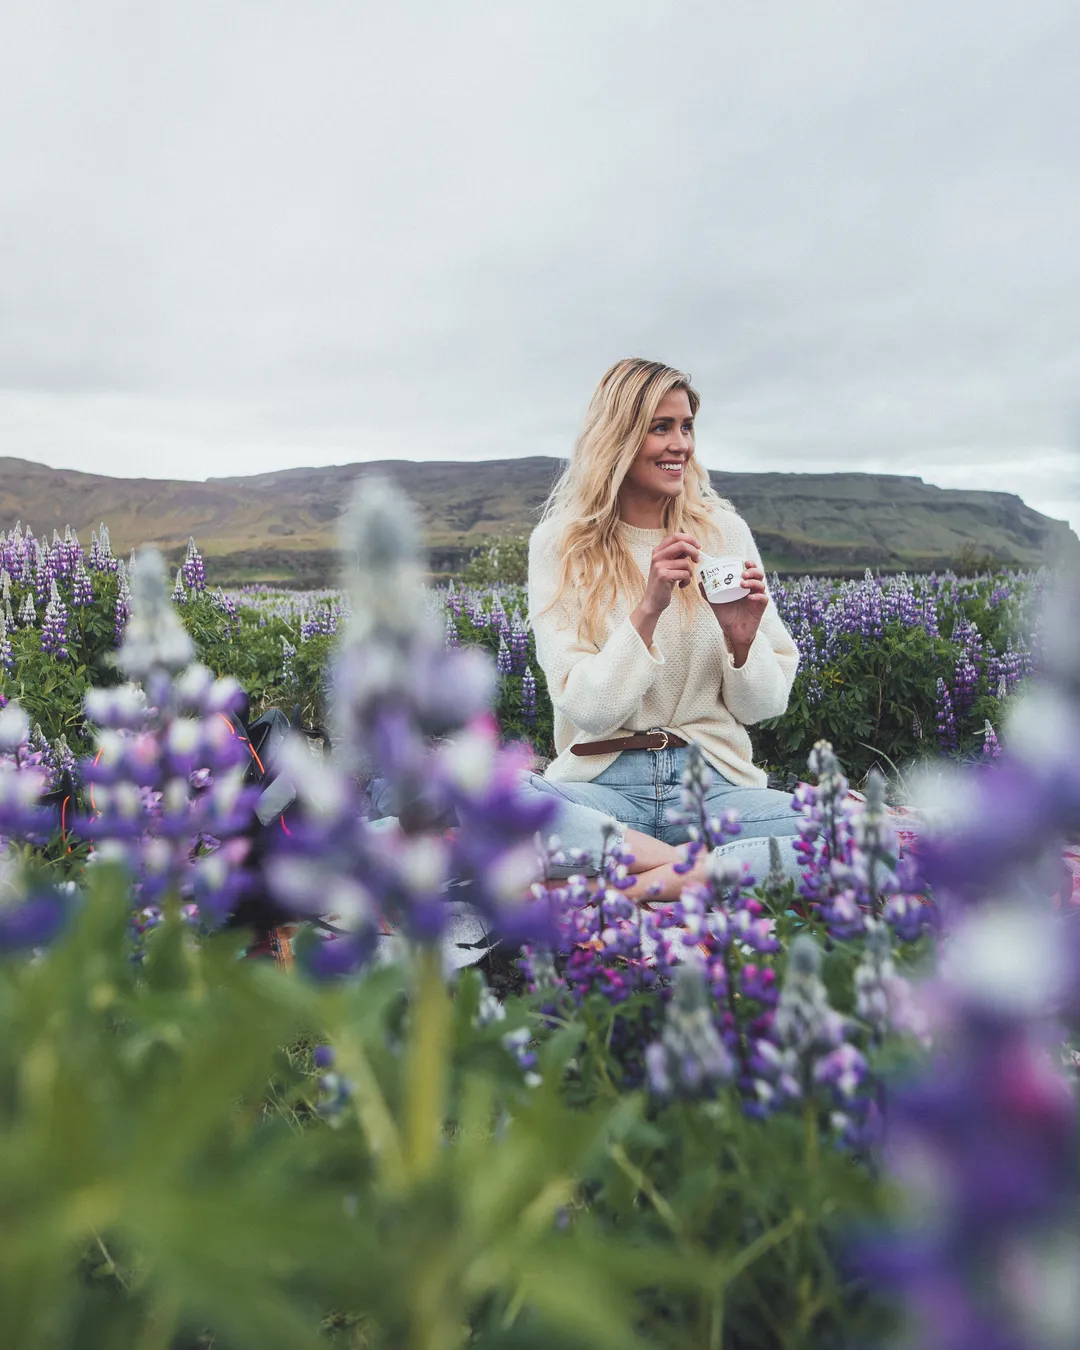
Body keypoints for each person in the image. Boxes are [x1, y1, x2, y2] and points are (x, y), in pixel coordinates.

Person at [523, 356, 803, 901]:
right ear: (620, 437)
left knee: (851, 836)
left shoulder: (723, 532)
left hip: (713, 787)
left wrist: (743, 641)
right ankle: (693, 871)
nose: (681, 444)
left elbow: (764, 707)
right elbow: (589, 709)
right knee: (497, 803)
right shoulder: (561, 545)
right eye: (661, 427)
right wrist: (647, 609)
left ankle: (625, 889)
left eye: (687, 427)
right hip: (602, 788)